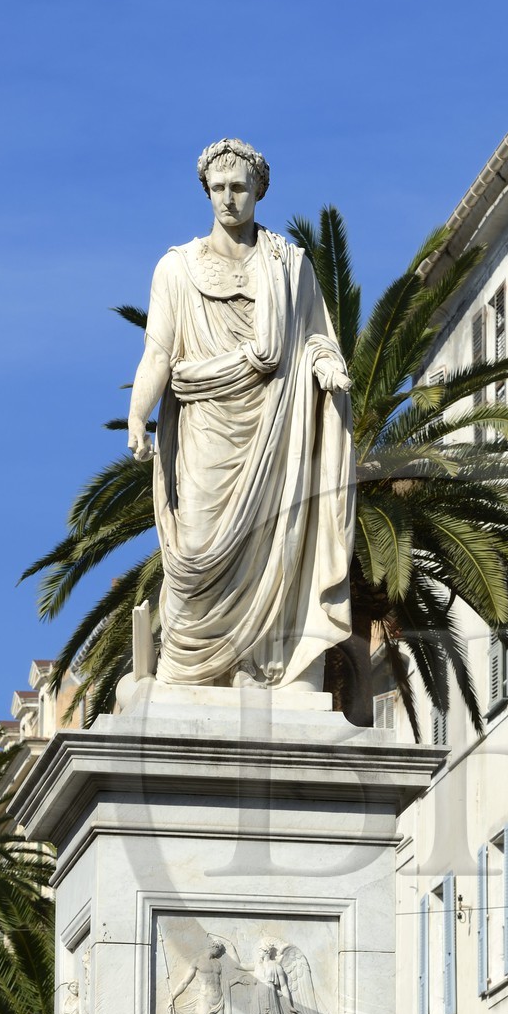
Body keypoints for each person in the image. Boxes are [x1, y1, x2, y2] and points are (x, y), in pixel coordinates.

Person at [127, 137, 356, 690]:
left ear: (258, 192)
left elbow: (317, 337)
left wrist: (327, 366)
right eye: (218, 188)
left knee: (278, 543)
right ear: (205, 192)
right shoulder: (177, 269)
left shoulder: (289, 264)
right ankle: (189, 670)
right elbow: (159, 351)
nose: (228, 199)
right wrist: (138, 415)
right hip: (206, 425)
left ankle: (262, 666)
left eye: (239, 188)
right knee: (197, 550)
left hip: (278, 432)